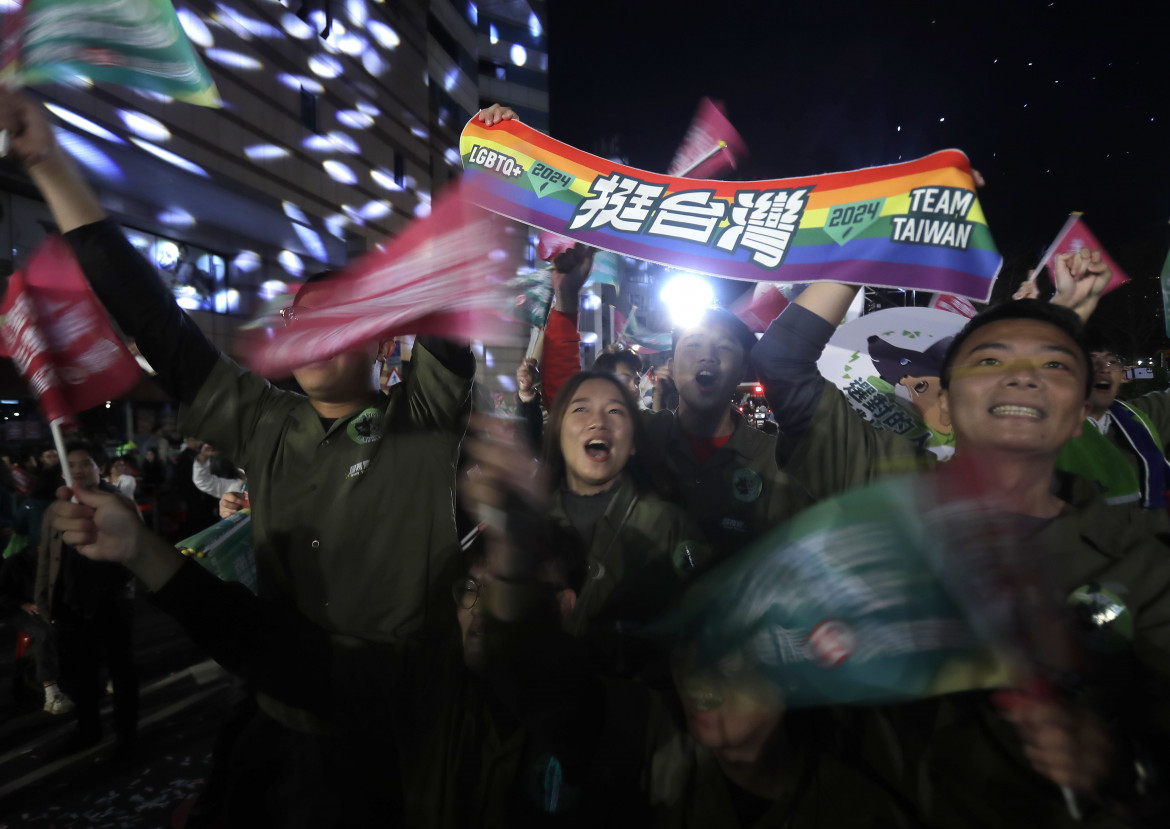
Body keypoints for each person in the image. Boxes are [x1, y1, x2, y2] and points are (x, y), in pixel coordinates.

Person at [0, 86, 479, 823]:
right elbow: (160, 326)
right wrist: (52, 165)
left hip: (398, 739)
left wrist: (483, 172)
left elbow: (451, 304)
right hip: (280, 728)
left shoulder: (425, 414)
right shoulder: (265, 421)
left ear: (384, 340)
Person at [49, 453, 918, 828]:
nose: (476, 609)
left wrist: (509, 545)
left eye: (501, 591)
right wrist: (143, 551)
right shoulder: (418, 689)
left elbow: (535, 669)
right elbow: (276, 652)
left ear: (565, 604)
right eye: (468, 592)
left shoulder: (630, 727)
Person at [752, 271, 1170, 825]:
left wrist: (1117, 764)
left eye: (1052, 365)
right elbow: (782, 360)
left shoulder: (1140, 558)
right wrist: (868, 246)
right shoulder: (888, 485)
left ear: (1078, 418)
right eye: (990, 361)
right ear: (945, 406)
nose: (1021, 379)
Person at [35, 440, 139, 757]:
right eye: (72, 465)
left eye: (86, 462)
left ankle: (127, 736)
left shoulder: (118, 501)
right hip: (70, 604)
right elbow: (47, 557)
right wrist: (44, 600)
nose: (79, 470)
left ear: (99, 467)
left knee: (121, 672)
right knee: (81, 675)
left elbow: (138, 551)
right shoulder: (58, 506)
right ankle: (88, 729)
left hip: (112, 600)